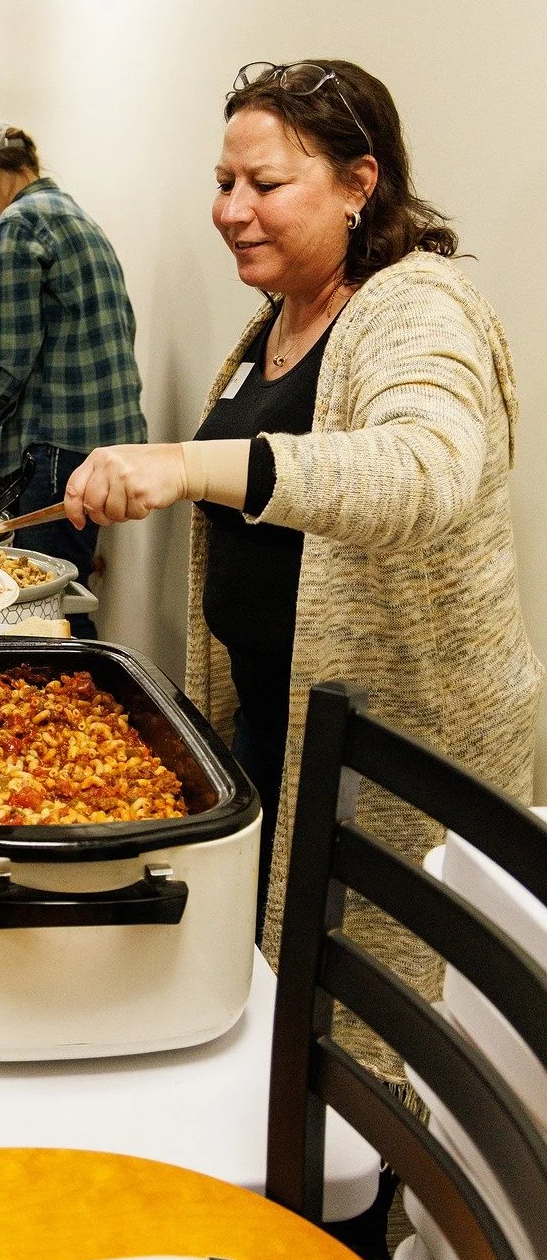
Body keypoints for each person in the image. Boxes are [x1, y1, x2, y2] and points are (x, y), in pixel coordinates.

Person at [61, 59, 542, 1036]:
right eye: (222, 181)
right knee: (271, 994)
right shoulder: (276, 318)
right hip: (273, 721)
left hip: (392, 757)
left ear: (358, 184)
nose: (230, 209)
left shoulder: (414, 307)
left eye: (264, 184)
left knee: (366, 1030)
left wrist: (189, 468)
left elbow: (421, 467)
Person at [0, 122, 146, 635]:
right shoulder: (72, 213)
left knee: (43, 608)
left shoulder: (19, 222)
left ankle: (75, 705)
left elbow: (13, 353)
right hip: (105, 443)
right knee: (69, 591)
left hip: (57, 445)